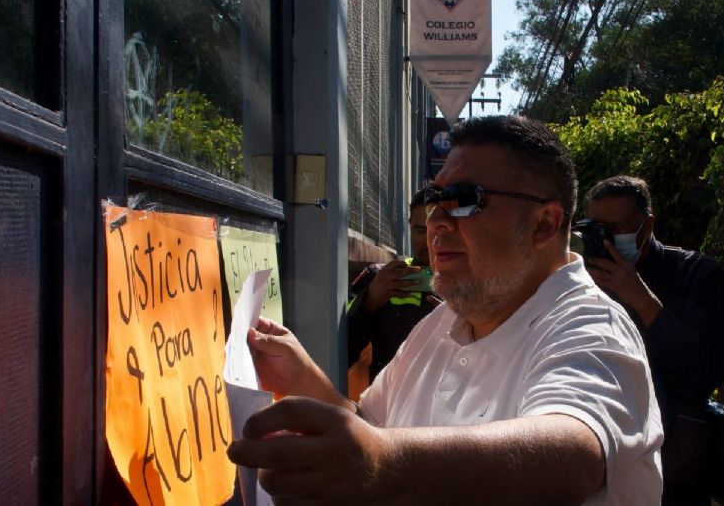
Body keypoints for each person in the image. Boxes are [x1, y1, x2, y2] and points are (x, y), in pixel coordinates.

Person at [227, 116, 663, 505]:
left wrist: (383, 466)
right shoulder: (442, 323)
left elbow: (571, 456)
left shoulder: (592, 329)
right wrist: (302, 377)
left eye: (464, 199)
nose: (437, 221)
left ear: (544, 224)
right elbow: (370, 428)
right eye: (436, 200)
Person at [583, 175, 724, 505]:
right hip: (604, 463)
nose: (608, 239)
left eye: (617, 227)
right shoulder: (583, 284)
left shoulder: (696, 275)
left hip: (676, 470)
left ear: (646, 226)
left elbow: (708, 369)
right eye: (598, 230)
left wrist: (642, 300)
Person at [347, 187, 440, 383]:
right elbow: (340, 353)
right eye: (420, 230)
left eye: (437, 228)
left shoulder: (475, 286)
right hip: (387, 407)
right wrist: (368, 303)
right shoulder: (382, 278)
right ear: (410, 228)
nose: (428, 240)